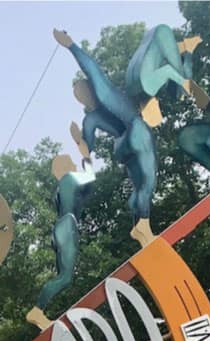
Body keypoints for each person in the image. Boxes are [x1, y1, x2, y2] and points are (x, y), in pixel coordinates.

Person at [54, 29, 158, 248]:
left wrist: (79, 142)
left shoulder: (90, 120)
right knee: (148, 182)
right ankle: (144, 224)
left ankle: (139, 223)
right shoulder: (106, 93)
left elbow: (88, 151)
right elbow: (92, 68)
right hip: (136, 130)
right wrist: (71, 45)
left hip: (122, 147)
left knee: (139, 187)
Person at [27, 153, 96, 330]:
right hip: (67, 225)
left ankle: (39, 312)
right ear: (65, 167)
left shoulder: (63, 188)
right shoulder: (69, 178)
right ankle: (37, 311)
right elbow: (90, 177)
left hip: (61, 228)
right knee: (65, 278)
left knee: (63, 277)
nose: (75, 166)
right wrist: (87, 157)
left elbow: (87, 192)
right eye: (72, 163)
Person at [125, 26, 199, 126]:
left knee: (184, 83)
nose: (157, 102)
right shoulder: (131, 94)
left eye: (157, 109)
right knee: (178, 86)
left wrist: (184, 83)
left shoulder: (149, 88)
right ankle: (185, 47)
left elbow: (168, 70)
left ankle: (189, 48)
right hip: (152, 38)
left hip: (162, 35)